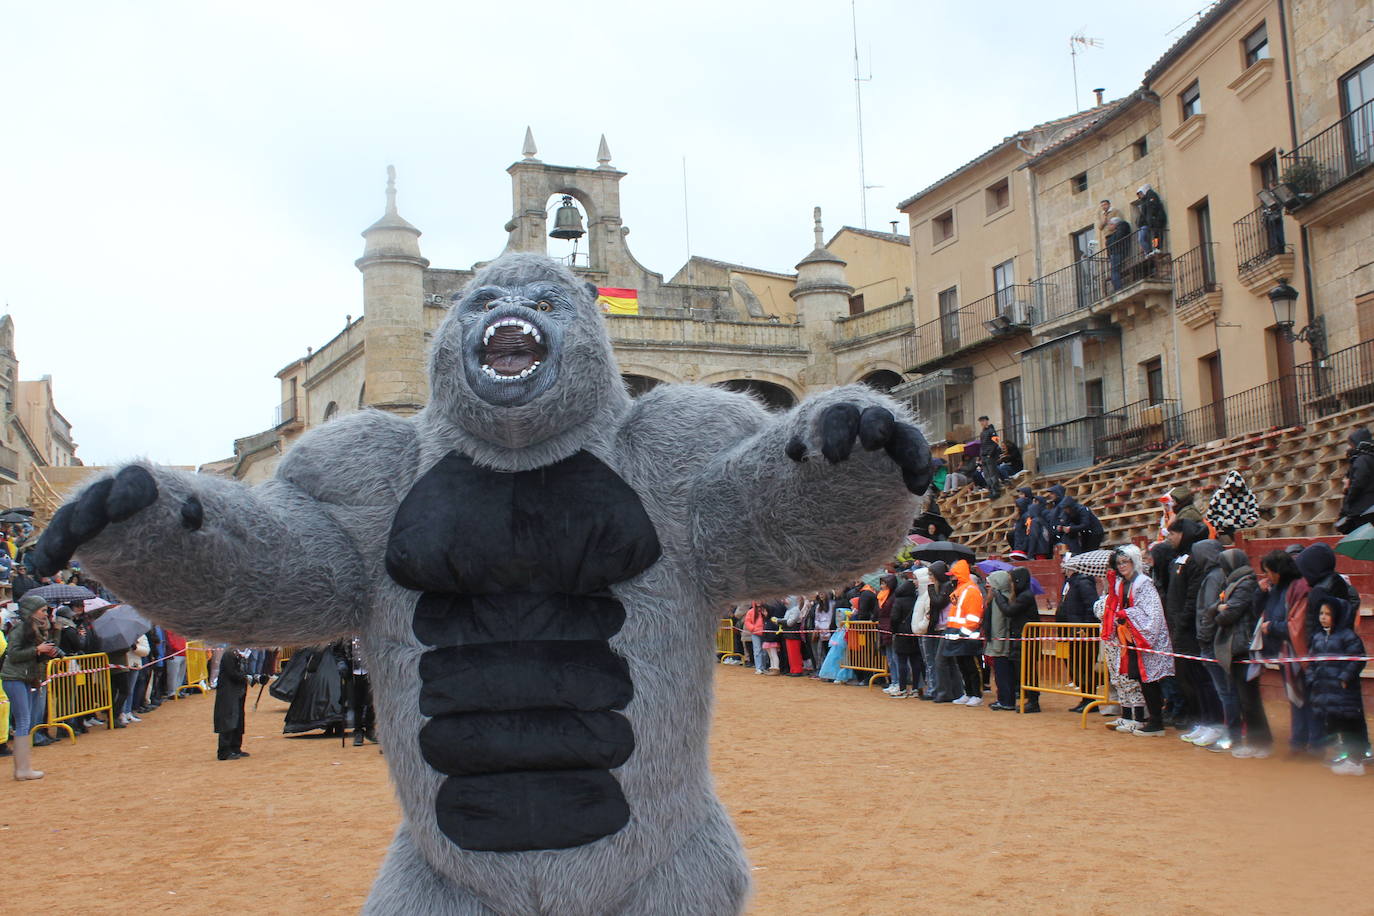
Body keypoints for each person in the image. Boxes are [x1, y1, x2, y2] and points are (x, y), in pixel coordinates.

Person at [1103, 545, 1174, 735]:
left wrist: (1127, 614)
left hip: (1144, 638)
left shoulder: (1144, 583)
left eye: (1125, 562)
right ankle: (1147, 719)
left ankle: (1156, 721)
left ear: (1134, 562)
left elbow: (1152, 614)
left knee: (1149, 679)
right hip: (1130, 638)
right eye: (1118, 563)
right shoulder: (1120, 584)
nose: (1121, 566)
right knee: (1138, 678)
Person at [1209, 549, 1271, 758]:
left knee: (1249, 698)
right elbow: (1217, 609)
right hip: (1236, 646)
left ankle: (1260, 742)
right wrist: (1219, 609)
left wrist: (1219, 611)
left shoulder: (1245, 583)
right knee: (1244, 697)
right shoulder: (1236, 583)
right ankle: (1256, 741)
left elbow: (1228, 615)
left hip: (1242, 646)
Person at [1256, 550, 1319, 757]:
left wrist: (1272, 627)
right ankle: (1298, 742)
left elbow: (1297, 625)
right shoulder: (1278, 588)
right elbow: (1260, 610)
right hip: (1286, 651)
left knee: (1305, 698)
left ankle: (1310, 743)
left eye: (1269, 572)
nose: (1267, 576)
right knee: (1296, 698)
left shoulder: (1299, 588)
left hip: (1299, 652)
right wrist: (1261, 593)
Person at [1307, 600, 1369, 775]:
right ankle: (1347, 756)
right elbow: (1311, 662)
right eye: (1321, 614)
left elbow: (1357, 659)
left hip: (1344, 692)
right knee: (1336, 725)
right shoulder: (1318, 637)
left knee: (1351, 725)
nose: (1323, 618)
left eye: (1328, 614)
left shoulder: (1348, 636)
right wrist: (1311, 678)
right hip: (1326, 691)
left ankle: (1356, 761)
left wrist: (1344, 678)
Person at [1, 595, 58, 780]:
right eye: (42, 610)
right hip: (14, 678)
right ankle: (22, 769)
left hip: (23, 678)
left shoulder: (34, 630)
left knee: (25, 721)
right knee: (24, 721)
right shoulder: (20, 628)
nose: (46, 613)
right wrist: (37, 650)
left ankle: (23, 768)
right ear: (32, 611)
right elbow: (13, 654)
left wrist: (45, 653)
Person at [1186, 539, 1232, 750]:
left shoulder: (1214, 577)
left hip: (1210, 639)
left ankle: (1223, 729)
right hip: (1208, 638)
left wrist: (1204, 635)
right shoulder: (1213, 575)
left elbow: (1209, 610)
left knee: (1221, 689)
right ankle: (1217, 726)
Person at [943, 559, 985, 706]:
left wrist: (965, 632)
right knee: (962, 665)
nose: (950, 578)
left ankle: (977, 695)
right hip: (957, 633)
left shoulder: (970, 590)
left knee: (971, 666)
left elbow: (974, 615)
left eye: (953, 575)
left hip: (967, 635)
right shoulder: (960, 590)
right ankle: (968, 693)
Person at [214, 648, 251, 760]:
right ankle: (224, 751)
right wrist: (247, 678)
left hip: (238, 691)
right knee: (228, 719)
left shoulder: (240, 655)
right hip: (228, 691)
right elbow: (233, 673)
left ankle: (235, 748)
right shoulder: (229, 654)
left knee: (238, 719)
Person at [888, 577, 922, 698]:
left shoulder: (899, 601)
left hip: (901, 634)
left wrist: (894, 631)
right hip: (915, 632)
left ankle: (902, 688)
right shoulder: (917, 599)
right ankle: (915, 688)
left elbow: (894, 618)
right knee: (916, 661)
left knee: (901, 661)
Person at [1337, 427, 1374, 533]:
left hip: (1361, 511)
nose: (1347, 448)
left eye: (1349, 444)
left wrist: (1348, 490)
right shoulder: (1370, 457)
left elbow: (1359, 482)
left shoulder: (1361, 459)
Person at [1135, 184, 1168, 257]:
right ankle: (1155, 248)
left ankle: (1157, 248)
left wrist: (1152, 218)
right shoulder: (1146, 200)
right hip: (1152, 221)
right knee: (1155, 236)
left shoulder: (1151, 195)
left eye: (1140, 193)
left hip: (1157, 219)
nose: (1140, 196)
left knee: (1157, 235)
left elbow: (1152, 207)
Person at [1105, 216, 1133, 291]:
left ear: (1115, 224)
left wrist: (1109, 240)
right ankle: (1117, 288)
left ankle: (1118, 289)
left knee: (1115, 272)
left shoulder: (1123, 226)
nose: (1109, 226)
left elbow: (1118, 238)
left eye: (1110, 224)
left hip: (1117, 252)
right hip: (1116, 253)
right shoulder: (1116, 232)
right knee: (1115, 272)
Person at [977, 416, 1002, 499]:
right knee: (987, 475)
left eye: (983, 421)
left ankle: (996, 491)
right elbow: (982, 446)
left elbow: (996, 443)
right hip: (984, 456)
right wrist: (980, 457)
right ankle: (991, 491)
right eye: (980, 421)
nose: (982, 423)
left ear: (987, 421)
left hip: (989, 456)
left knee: (992, 474)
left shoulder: (991, 431)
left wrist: (990, 454)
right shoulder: (982, 433)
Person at [743, 602, 767, 675]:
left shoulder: (765, 610)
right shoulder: (750, 612)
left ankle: (764, 667)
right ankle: (759, 668)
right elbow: (747, 622)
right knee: (757, 650)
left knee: (765, 651)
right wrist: (753, 628)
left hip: (765, 633)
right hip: (755, 634)